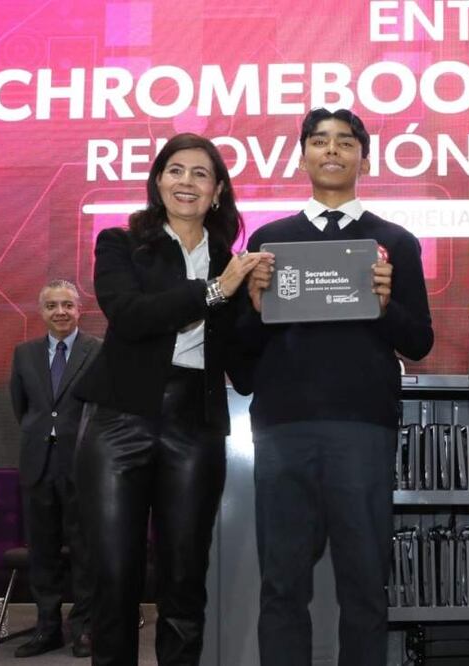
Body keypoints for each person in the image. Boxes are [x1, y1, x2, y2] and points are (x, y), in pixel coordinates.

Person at [241, 107, 433, 666]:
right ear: (302, 155)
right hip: (282, 429)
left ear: (363, 158)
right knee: (281, 585)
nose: (332, 151)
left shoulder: (395, 240)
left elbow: (418, 340)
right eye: (319, 141)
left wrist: (383, 304)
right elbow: (246, 344)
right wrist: (252, 307)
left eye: (345, 143)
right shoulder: (269, 238)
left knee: (366, 586)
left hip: (362, 429)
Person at [74, 133, 268, 665]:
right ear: (158, 181)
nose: (187, 182)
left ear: (218, 190)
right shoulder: (121, 243)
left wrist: (254, 306)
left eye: (201, 174)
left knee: (184, 579)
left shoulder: (232, 262)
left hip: (195, 424)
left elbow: (244, 371)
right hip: (120, 419)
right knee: (115, 576)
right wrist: (213, 291)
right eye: (176, 170)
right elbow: (130, 315)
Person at [8, 279, 100, 658]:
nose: (60, 312)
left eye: (67, 305)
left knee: (84, 551)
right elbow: (20, 406)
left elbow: (104, 408)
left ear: (79, 309)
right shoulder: (24, 353)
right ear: (41, 312)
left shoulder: (97, 351)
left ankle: (84, 630)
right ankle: (47, 630)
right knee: (42, 553)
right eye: (52, 306)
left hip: (82, 466)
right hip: (38, 465)